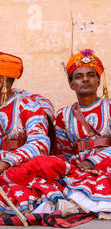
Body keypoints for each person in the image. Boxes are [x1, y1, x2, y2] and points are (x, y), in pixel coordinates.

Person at [0, 47, 65, 217]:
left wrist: (0, 166)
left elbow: (40, 145)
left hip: (18, 166)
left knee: (36, 167)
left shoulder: (29, 106)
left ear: (0, 81)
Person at [54, 49, 110, 216]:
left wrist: (93, 161)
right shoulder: (63, 116)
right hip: (80, 167)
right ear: (71, 84)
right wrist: (74, 165)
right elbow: (63, 152)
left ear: (99, 81)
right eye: (78, 76)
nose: (85, 79)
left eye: (91, 75)